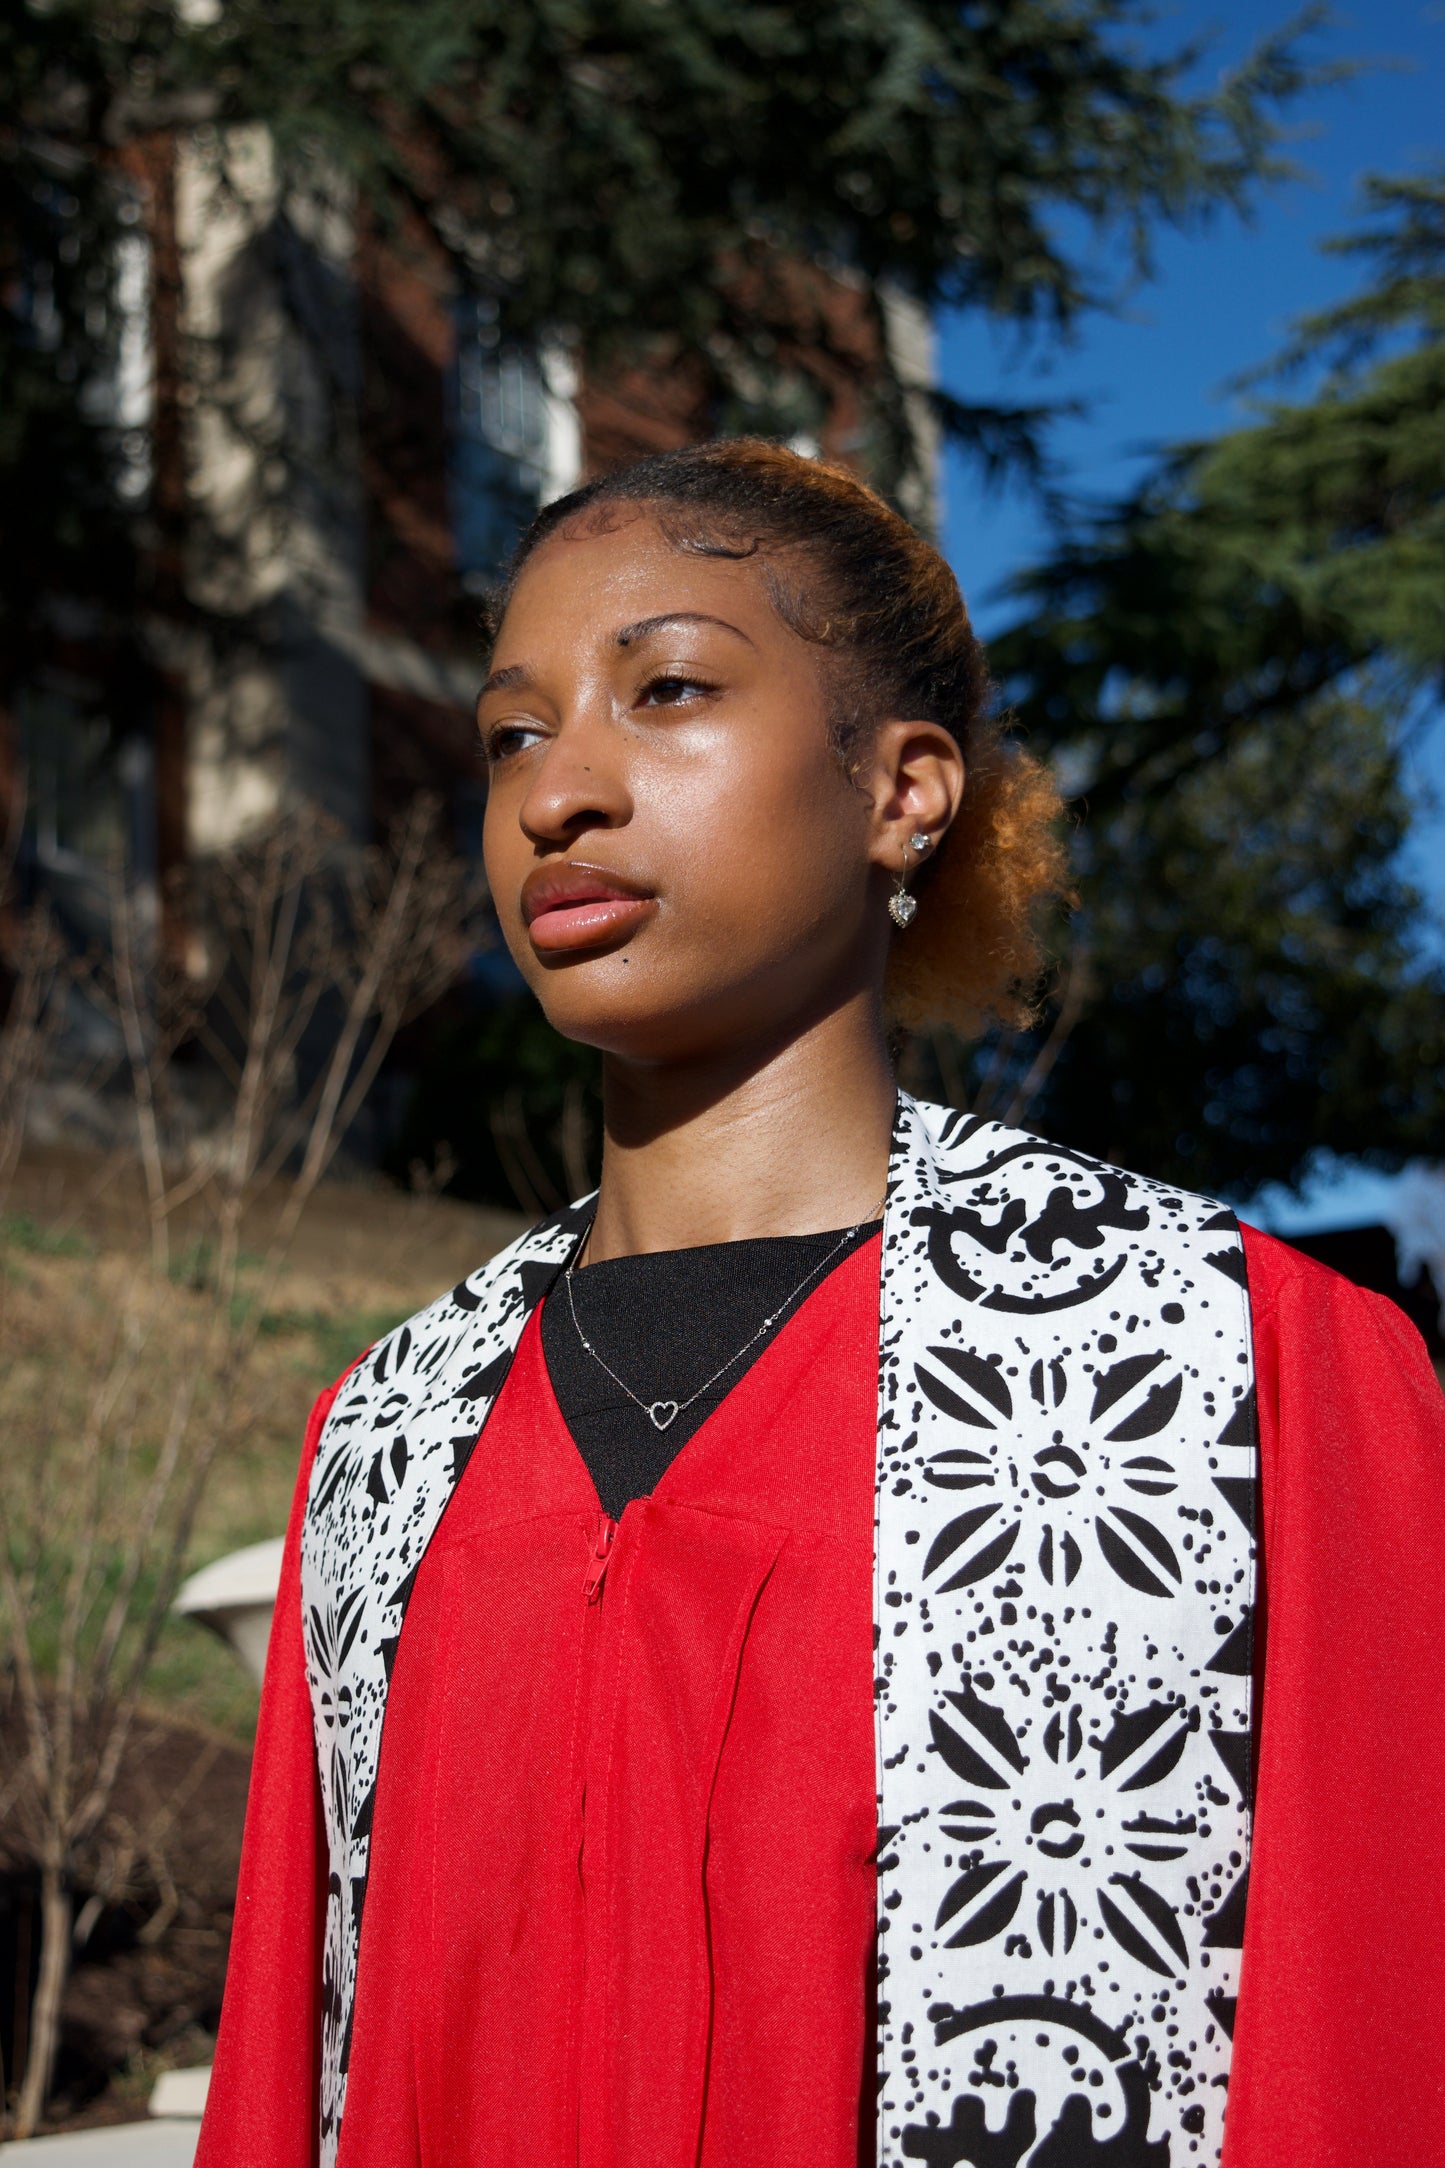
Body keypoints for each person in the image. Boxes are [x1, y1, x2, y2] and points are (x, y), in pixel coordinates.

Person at [195, 440, 1445, 2168]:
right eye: (512, 731)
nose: (558, 789)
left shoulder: (1230, 1369)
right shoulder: (392, 1439)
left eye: (669, 689)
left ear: (901, 793)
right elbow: (292, 2075)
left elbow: (1371, 2051)